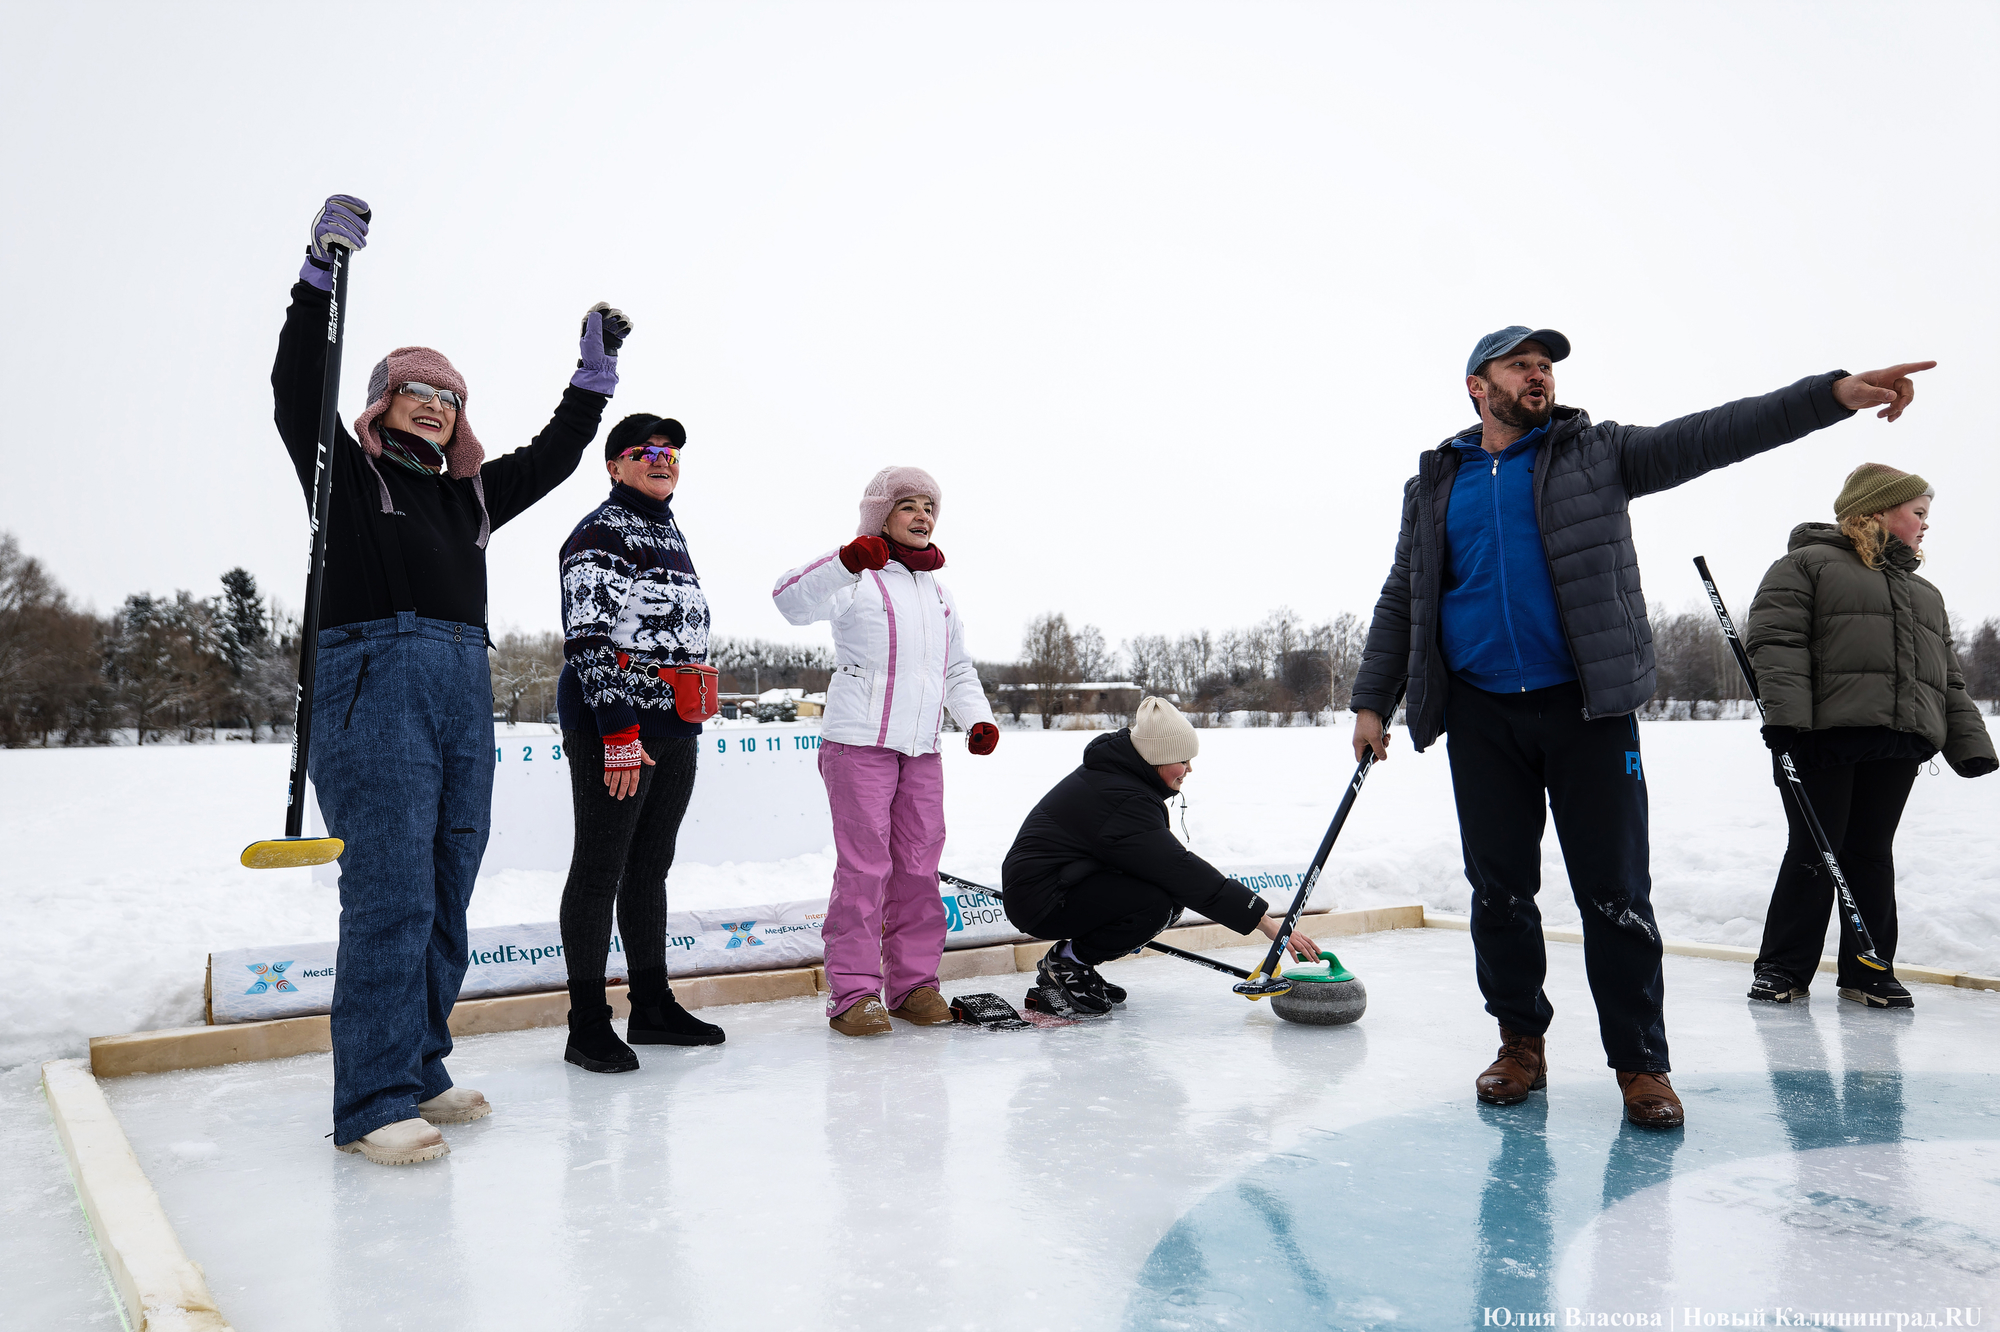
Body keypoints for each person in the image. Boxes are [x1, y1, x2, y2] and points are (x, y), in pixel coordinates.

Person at [1349, 324, 1934, 1130]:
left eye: (1546, 365)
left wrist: (1832, 395)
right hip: (1482, 709)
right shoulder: (1436, 484)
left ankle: (1641, 1064)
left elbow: (1719, 432)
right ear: (1477, 386)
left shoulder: (1599, 455)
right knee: (1499, 891)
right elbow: (1404, 593)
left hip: (1588, 706)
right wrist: (1373, 700)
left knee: (1617, 895)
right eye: (1521, 364)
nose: (1539, 375)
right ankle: (1520, 1041)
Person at [274, 194, 628, 1165]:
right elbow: (298, 389)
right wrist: (317, 279)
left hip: (458, 690)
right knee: (389, 888)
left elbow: (554, 458)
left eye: (451, 397)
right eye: (415, 391)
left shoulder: (468, 498)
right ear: (381, 404)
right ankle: (372, 1099)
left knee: (444, 883)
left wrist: (590, 381)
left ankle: (419, 1063)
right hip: (370, 683)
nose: (435, 405)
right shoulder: (344, 476)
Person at [1744, 463, 1995, 1010]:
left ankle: (1869, 970)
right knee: (1816, 848)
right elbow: (1776, 643)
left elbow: (1945, 675)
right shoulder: (1807, 565)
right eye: (1919, 513)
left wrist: (1970, 744)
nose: (1926, 526)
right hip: (1821, 737)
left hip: (1897, 741)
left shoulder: (1923, 593)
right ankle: (1782, 969)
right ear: (1879, 510)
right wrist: (1786, 721)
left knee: (1871, 854)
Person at [772, 467, 1000, 1037]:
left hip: (921, 750)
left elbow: (956, 668)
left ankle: (914, 986)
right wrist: (846, 560)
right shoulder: (856, 576)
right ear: (881, 514)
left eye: (930, 506)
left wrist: (976, 718)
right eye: (908, 505)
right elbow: (789, 602)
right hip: (859, 745)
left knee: (919, 870)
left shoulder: (939, 593)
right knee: (865, 870)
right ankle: (852, 995)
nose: (923, 515)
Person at [556, 413, 727, 1073]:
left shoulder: (666, 529)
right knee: (600, 869)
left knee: (649, 868)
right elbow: (589, 639)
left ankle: (651, 1005)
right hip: (616, 726)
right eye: (645, 451)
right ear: (614, 465)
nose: (663, 460)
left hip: (674, 725)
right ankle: (586, 1024)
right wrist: (620, 734)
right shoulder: (600, 531)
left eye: (672, 452)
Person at [1001, 697, 1321, 1016]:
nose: (1190, 769)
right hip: (1041, 899)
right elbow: (1178, 870)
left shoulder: (1121, 779)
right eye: (1183, 760)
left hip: (1060, 883)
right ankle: (1068, 963)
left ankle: (1073, 960)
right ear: (1158, 758)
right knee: (1154, 905)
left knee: (1164, 899)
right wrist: (1263, 921)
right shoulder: (1122, 799)